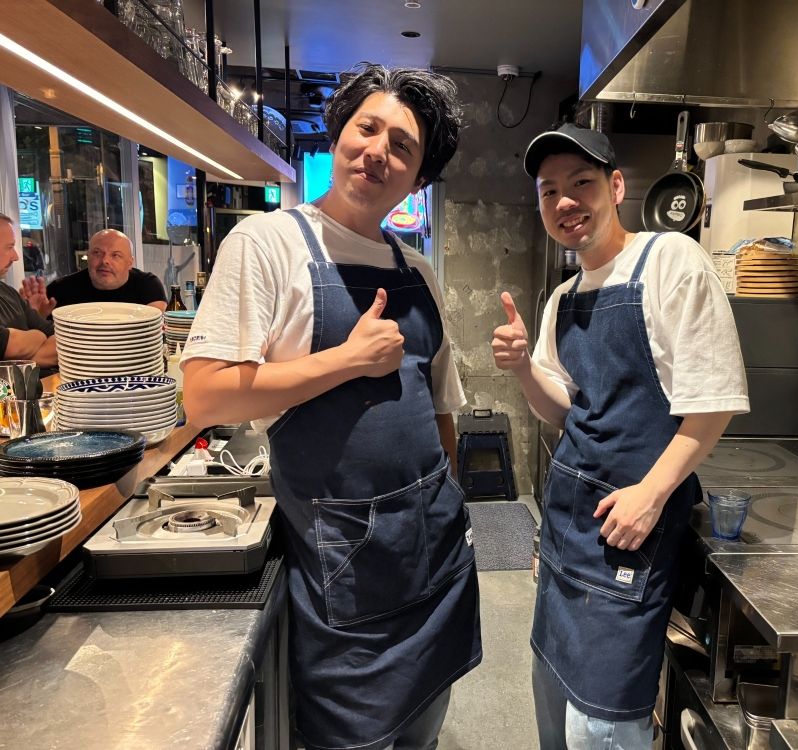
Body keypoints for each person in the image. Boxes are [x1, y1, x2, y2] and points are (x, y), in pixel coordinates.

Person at [180, 64, 480, 750]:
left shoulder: (418, 270)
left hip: (434, 564)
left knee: (424, 736)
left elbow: (441, 409)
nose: (379, 150)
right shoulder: (268, 244)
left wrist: (450, 498)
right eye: (366, 128)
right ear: (337, 134)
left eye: (402, 145)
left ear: (419, 178)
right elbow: (203, 394)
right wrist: (347, 358)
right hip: (345, 573)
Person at [492, 123, 749, 749]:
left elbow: (711, 406)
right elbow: (563, 411)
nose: (564, 203)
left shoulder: (668, 261)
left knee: (602, 724)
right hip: (566, 530)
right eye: (549, 191)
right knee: (552, 700)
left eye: (581, 183)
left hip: (628, 529)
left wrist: (652, 493)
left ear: (615, 185)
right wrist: (524, 367)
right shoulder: (563, 298)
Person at [20, 229, 167, 317]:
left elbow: (155, 326)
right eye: (97, 253)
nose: (105, 261)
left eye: (115, 255)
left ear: (130, 262)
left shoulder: (148, 285)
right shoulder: (61, 289)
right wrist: (36, 315)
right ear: (88, 257)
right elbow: (39, 329)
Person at [0, 213, 57, 369]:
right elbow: (12, 346)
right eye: (10, 247)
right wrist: (37, 336)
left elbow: (62, 340)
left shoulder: (9, 293)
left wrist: (22, 353)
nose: (16, 257)